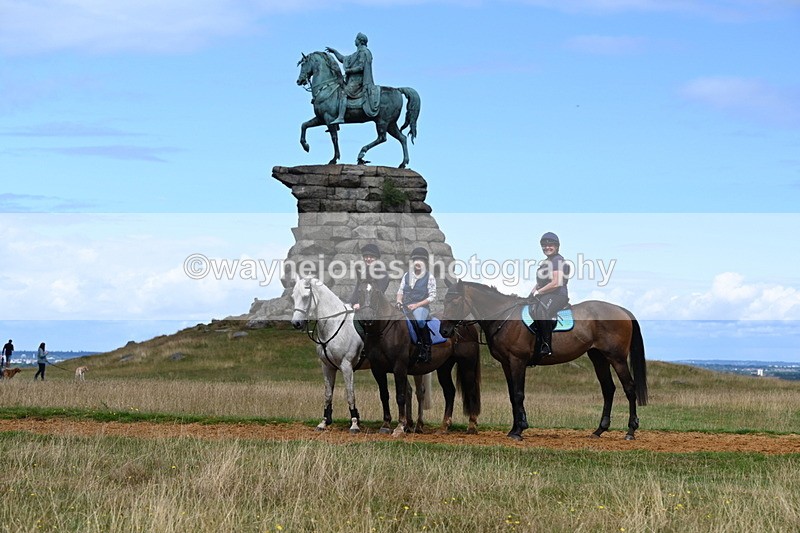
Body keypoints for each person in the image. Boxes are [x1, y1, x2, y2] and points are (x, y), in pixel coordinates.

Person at [529, 232, 570, 358]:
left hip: (558, 295)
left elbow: (556, 283)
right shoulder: (546, 262)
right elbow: (541, 283)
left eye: (550, 245)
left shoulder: (557, 260)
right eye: (544, 245)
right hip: (546, 294)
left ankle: (546, 345)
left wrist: (539, 292)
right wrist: (531, 293)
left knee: (542, 310)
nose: (547, 247)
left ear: (557, 246)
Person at [325, 32, 379, 124]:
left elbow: (361, 67)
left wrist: (349, 71)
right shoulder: (357, 53)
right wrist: (335, 52)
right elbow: (344, 59)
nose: (355, 40)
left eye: (356, 39)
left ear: (360, 41)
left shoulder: (363, 52)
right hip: (353, 80)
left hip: (358, 81)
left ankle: (341, 117)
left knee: (343, 93)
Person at [397, 247, 436, 364]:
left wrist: (417, 305)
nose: (418, 262)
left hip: (421, 307)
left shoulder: (430, 277)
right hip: (405, 306)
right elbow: (400, 291)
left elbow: (432, 296)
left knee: (419, 320)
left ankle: (426, 347)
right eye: (416, 260)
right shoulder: (406, 276)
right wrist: (399, 301)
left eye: (421, 260)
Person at [350, 243, 390, 310]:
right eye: (366, 256)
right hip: (361, 306)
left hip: (376, 306)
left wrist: (360, 304)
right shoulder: (363, 273)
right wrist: (352, 303)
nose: (368, 259)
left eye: (371, 257)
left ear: (376, 259)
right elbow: (357, 291)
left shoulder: (383, 274)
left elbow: (377, 294)